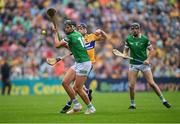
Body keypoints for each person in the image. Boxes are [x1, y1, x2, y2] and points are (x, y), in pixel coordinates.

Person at [60, 23, 108, 113]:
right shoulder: (75, 39)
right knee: (70, 84)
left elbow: (105, 38)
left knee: (76, 87)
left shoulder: (91, 37)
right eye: (79, 28)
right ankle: (83, 95)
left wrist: (101, 31)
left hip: (87, 63)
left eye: (82, 28)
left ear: (86, 29)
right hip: (78, 62)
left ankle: (73, 104)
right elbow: (69, 48)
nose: (80, 29)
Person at [122, 23, 171, 109]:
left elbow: (152, 51)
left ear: (139, 29)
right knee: (131, 85)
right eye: (132, 29)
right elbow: (125, 51)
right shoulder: (128, 39)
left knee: (151, 83)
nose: (134, 30)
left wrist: (148, 59)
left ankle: (164, 100)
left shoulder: (144, 39)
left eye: (136, 29)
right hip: (133, 64)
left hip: (144, 64)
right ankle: (133, 104)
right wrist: (124, 55)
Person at [53, 20, 96, 114]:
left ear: (73, 27)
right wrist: (65, 45)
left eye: (69, 27)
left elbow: (57, 45)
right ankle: (77, 105)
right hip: (78, 63)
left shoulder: (71, 36)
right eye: (66, 27)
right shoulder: (77, 34)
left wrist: (55, 33)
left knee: (77, 88)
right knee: (65, 82)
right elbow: (71, 47)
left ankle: (91, 108)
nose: (67, 29)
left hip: (84, 63)